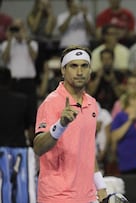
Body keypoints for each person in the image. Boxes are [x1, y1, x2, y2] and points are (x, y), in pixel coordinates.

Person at [33, 45, 107, 202]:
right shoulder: (51, 103)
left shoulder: (92, 104)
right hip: (57, 196)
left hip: (86, 195)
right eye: (73, 66)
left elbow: (87, 148)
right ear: (63, 70)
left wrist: (100, 186)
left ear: (90, 70)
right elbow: (38, 147)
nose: (79, 72)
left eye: (84, 66)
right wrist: (60, 125)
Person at [0, 67, 36, 203]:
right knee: (21, 191)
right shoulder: (23, 100)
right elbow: (31, 128)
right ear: (10, 81)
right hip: (19, 152)